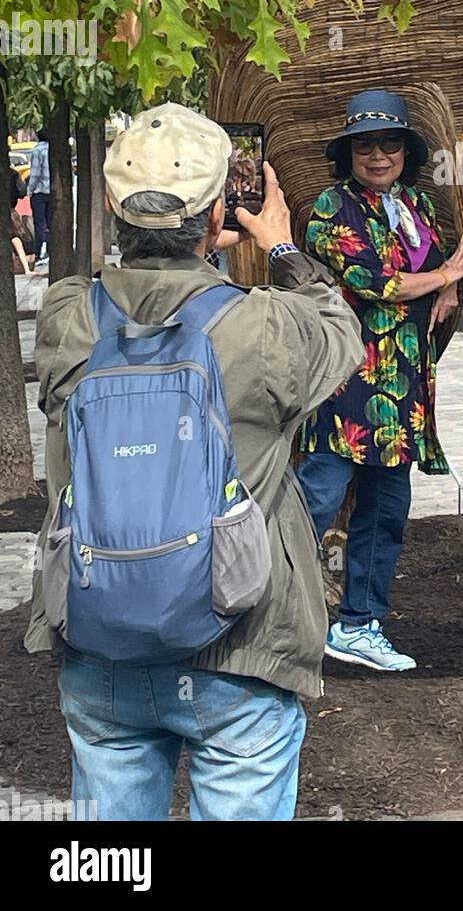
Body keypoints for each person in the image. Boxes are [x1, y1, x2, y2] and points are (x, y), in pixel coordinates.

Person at [25, 102, 364, 821]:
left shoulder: (65, 316)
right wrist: (280, 248)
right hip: (239, 645)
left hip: (100, 640)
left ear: (114, 207)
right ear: (217, 216)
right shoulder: (267, 323)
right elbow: (342, 335)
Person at [298, 89, 463, 672]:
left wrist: (448, 283)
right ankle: (266, 617)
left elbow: (434, 261)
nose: (378, 155)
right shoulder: (330, 208)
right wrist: (444, 275)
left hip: (402, 388)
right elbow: (379, 282)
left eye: (390, 143)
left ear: (406, 150)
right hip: (344, 383)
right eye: (365, 144)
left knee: (385, 510)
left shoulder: (415, 205)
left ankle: (359, 626)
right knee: (315, 501)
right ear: (348, 152)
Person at [27, 128, 50, 265]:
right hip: (52, 192)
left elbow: (35, 173)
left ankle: (39, 252)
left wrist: (30, 189)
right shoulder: (54, 149)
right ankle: (50, 250)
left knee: (39, 223)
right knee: (51, 222)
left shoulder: (38, 150)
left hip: (39, 192)